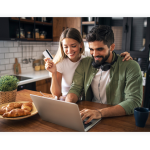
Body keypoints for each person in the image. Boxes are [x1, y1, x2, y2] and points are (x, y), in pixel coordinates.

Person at [65, 25, 143, 124]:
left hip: (117, 118)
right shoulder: (85, 63)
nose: (94, 54)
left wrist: (100, 113)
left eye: (100, 49)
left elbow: (134, 102)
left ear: (112, 47)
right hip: (90, 116)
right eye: (91, 49)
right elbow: (75, 88)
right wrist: (67, 106)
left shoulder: (130, 66)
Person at [44, 28, 133, 100]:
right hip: (67, 99)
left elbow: (103, 53)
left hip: (84, 100)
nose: (69, 51)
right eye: (66, 47)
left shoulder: (87, 55)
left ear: (81, 45)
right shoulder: (60, 63)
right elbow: (56, 94)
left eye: (73, 46)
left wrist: (121, 57)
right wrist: (53, 73)